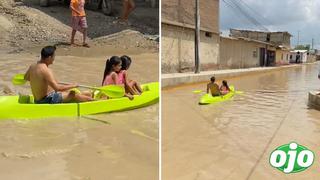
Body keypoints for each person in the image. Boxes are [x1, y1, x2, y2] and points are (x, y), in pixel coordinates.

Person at [24, 46, 93, 104]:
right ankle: (96, 102)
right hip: (46, 100)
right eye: (54, 56)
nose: (54, 59)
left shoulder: (32, 66)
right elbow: (57, 88)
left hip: (37, 100)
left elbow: (26, 78)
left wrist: (42, 81)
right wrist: (73, 85)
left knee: (68, 92)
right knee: (72, 94)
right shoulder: (46, 70)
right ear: (49, 57)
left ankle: (88, 96)